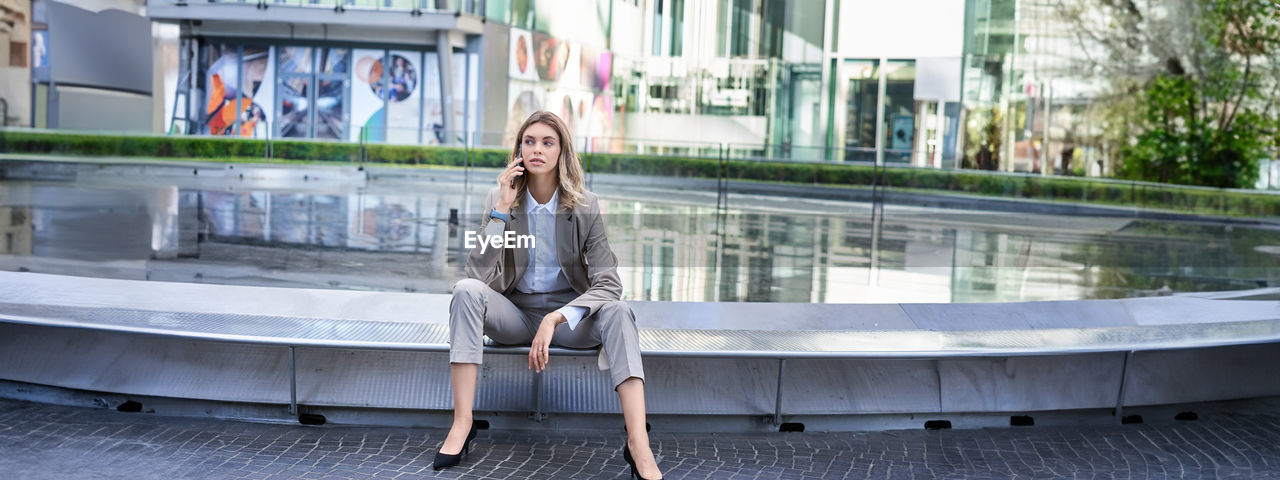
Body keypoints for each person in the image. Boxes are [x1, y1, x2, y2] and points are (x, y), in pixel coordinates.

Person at [434, 111, 663, 480]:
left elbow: (608, 283)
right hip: (514, 316)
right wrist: (502, 211)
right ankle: (462, 423)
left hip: (567, 320)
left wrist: (555, 317)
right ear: (518, 151)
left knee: (619, 311)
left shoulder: (585, 205)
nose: (536, 149)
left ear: (562, 152)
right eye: (529, 141)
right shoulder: (499, 198)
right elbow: (477, 274)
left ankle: (638, 443)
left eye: (547, 142)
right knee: (464, 292)